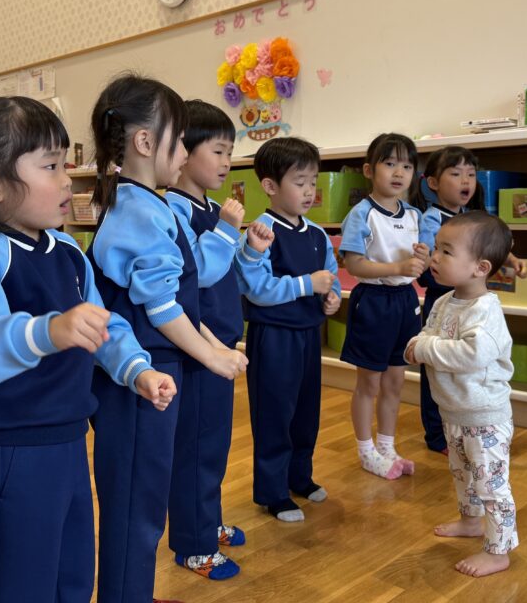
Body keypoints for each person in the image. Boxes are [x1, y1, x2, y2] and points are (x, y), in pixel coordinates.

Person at [0, 93, 177, 602]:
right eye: (51, 166)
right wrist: (47, 332)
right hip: (8, 451)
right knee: (13, 582)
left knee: (71, 573)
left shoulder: (67, 252)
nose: (66, 181)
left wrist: (136, 369)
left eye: (65, 165)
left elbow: (103, 324)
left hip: (69, 440)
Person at [88, 74, 248, 602]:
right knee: (136, 502)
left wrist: (215, 347)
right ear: (143, 142)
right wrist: (212, 357)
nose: (184, 152)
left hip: (154, 371)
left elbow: (175, 300)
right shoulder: (137, 209)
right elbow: (160, 307)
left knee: (146, 495)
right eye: (179, 140)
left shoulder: (145, 203)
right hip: (139, 380)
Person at [164, 100, 274, 580]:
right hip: (196, 349)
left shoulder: (211, 207)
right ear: (182, 152)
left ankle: (205, 520)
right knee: (197, 447)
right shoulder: (173, 209)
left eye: (231, 152)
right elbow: (200, 273)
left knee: (213, 444)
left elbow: (231, 274)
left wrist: (250, 249)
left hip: (221, 346)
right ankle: (193, 544)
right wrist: (229, 229)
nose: (228, 162)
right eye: (218, 150)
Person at [405, 211, 519, 578]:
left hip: (484, 417)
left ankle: (498, 551)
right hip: (453, 411)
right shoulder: (444, 302)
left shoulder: (486, 311)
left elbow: (472, 355)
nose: (435, 257)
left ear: (480, 268)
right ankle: (470, 522)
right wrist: (418, 344)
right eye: (436, 248)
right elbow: (427, 333)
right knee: (463, 475)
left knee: (491, 485)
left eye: (447, 251)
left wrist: (424, 349)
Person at [235, 136, 340, 522]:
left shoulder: (316, 233)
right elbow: (257, 289)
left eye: (313, 181)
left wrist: (332, 297)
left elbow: (330, 275)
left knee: (305, 412)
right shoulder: (260, 231)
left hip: (308, 335)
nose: (310, 191)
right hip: (274, 337)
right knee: (274, 415)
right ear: (270, 186)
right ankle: (273, 492)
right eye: (299, 182)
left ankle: (300, 477)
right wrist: (307, 285)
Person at [412, 146, 526, 453]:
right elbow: (430, 258)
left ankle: (466, 421)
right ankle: (437, 434)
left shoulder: (470, 218)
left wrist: (511, 259)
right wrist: (428, 257)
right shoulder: (433, 218)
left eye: (471, 174)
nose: (466, 180)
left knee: (462, 367)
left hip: (467, 296)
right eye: (455, 173)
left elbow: (488, 246)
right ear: (433, 183)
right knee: (436, 367)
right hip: (442, 296)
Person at [339, 133, 428, 479]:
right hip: (373, 302)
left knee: (395, 381)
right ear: (369, 170)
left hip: (406, 301)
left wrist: (423, 256)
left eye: (406, 166)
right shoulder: (361, 214)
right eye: (389, 164)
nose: (398, 172)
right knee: (369, 382)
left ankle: (387, 447)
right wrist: (398, 267)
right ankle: (366, 450)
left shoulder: (415, 215)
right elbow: (354, 265)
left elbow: (423, 259)